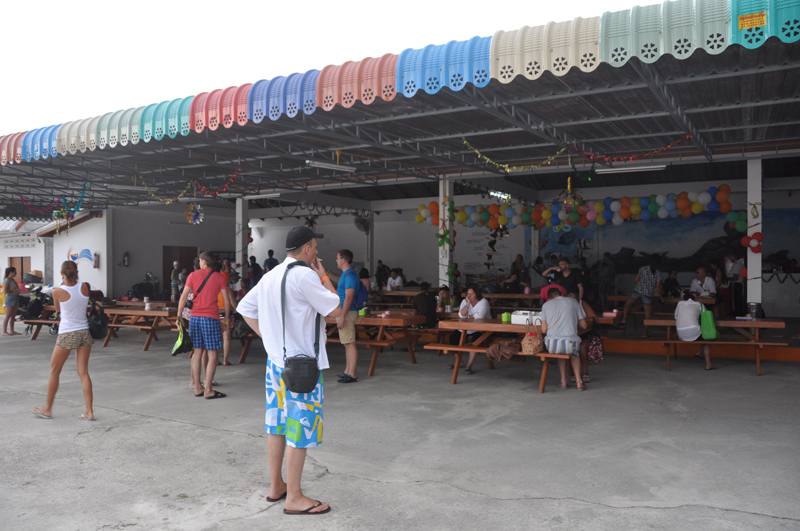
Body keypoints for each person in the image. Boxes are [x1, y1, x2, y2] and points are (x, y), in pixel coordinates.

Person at [237, 226, 343, 515]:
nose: (316, 253)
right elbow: (336, 311)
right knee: (300, 428)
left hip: (276, 364)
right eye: (315, 248)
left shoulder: (270, 275)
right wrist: (323, 276)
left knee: (277, 426)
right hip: (302, 367)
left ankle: (276, 486)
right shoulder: (305, 276)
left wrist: (268, 337)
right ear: (307, 248)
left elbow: (245, 308)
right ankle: (294, 497)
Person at [32, 261, 95, 420]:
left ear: (62, 274)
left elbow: (58, 309)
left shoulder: (57, 291)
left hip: (67, 332)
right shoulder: (84, 287)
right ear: (76, 272)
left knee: (55, 370)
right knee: (83, 372)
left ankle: (47, 409)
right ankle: (89, 411)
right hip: (84, 331)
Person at [177, 252, 231, 399]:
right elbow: (226, 301)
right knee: (212, 353)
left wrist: (179, 315)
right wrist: (226, 318)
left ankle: (197, 387)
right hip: (211, 318)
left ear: (204, 262)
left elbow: (183, 296)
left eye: (200, 260)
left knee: (197, 352)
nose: (199, 263)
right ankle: (208, 389)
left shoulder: (192, 276)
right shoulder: (219, 277)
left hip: (195, 318)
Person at [540, 287, 588, 390]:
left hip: (552, 346)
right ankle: (579, 382)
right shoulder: (573, 302)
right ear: (561, 294)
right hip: (570, 343)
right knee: (574, 354)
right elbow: (584, 325)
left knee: (560, 353)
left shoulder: (546, 305)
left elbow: (543, 330)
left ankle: (563, 382)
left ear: (549, 297)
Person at [335, 249, 361, 383]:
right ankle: (347, 371)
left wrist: (342, 316)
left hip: (348, 312)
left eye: (338, 258)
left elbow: (349, 297)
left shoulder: (350, 275)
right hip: (346, 311)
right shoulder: (346, 275)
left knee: (350, 343)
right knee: (347, 343)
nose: (336, 260)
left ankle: (352, 374)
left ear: (343, 260)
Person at [675, 290, 712, 370]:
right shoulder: (699, 304)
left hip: (681, 333)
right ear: (694, 298)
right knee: (705, 339)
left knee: (700, 334)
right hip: (694, 331)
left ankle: (700, 352)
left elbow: (676, 316)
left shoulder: (679, 303)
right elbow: (705, 316)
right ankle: (708, 364)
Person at [458, 286, 491, 374]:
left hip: (481, 328)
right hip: (466, 328)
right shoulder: (465, 301)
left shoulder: (483, 302)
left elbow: (480, 317)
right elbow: (461, 315)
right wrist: (467, 304)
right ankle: (459, 362)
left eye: (471, 293)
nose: (469, 295)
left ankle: (469, 366)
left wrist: (468, 316)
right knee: (453, 337)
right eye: (468, 293)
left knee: (474, 342)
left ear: (477, 294)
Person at [622, 261, 661, 326]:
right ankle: (646, 328)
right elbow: (658, 286)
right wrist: (655, 293)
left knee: (627, 305)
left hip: (638, 291)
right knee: (647, 313)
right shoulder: (658, 272)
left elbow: (636, 280)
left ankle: (624, 320)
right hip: (648, 293)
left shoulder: (642, 268)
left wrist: (641, 285)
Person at [217, 259, 238, 366]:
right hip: (225, 313)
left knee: (216, 336)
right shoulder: (227, 288)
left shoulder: (215, 285)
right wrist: (237, 309)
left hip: (216, 312)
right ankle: (225, 360)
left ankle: (215, 359)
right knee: (226, 337)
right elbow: (233, 303)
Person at [3, 267, 20, 336]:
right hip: (10, 299)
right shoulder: (7, 280)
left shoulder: (12, 280)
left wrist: (17, 290)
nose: (16, 273)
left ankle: (12, 330)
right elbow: (5, 291)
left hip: (15, 298)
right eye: (14, 272)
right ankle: (4, 331)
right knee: (8, 315)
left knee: (13, 316)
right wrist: (13, 290)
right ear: (10, 272)